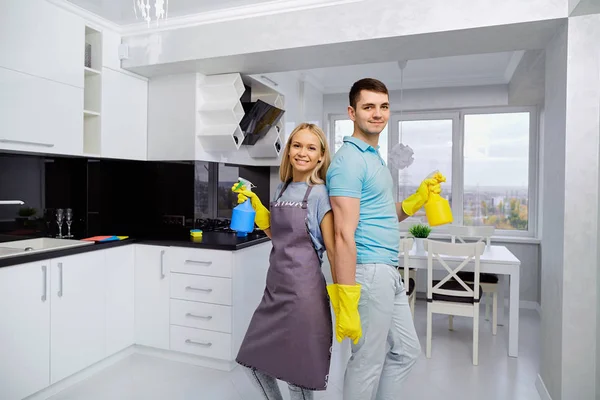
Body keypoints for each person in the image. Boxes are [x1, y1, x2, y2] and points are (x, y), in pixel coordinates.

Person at [326, 78, 445, 400]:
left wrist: (414, 201)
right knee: (367, 361)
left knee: (406, 351)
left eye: (383, 106)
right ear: (352, 112)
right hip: (368, 270)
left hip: (387, 270)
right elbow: (341, 232)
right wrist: (346, 294)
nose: (377, 114)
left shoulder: (374, 158)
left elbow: (379, 214)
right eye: (368, 107)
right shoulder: (349, 160)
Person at [235, 122, 337, 400]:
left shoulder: (320, 194)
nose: (302, 152)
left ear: (320, 155)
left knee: (297, 374)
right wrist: (258, 209)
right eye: (297, 145)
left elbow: (332, 248)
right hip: (275, 291)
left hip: (305, 296)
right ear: (289, 150)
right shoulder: (282, 188)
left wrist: (344, 296)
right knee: (252, 362)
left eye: (311, 147)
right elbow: (279, 235)